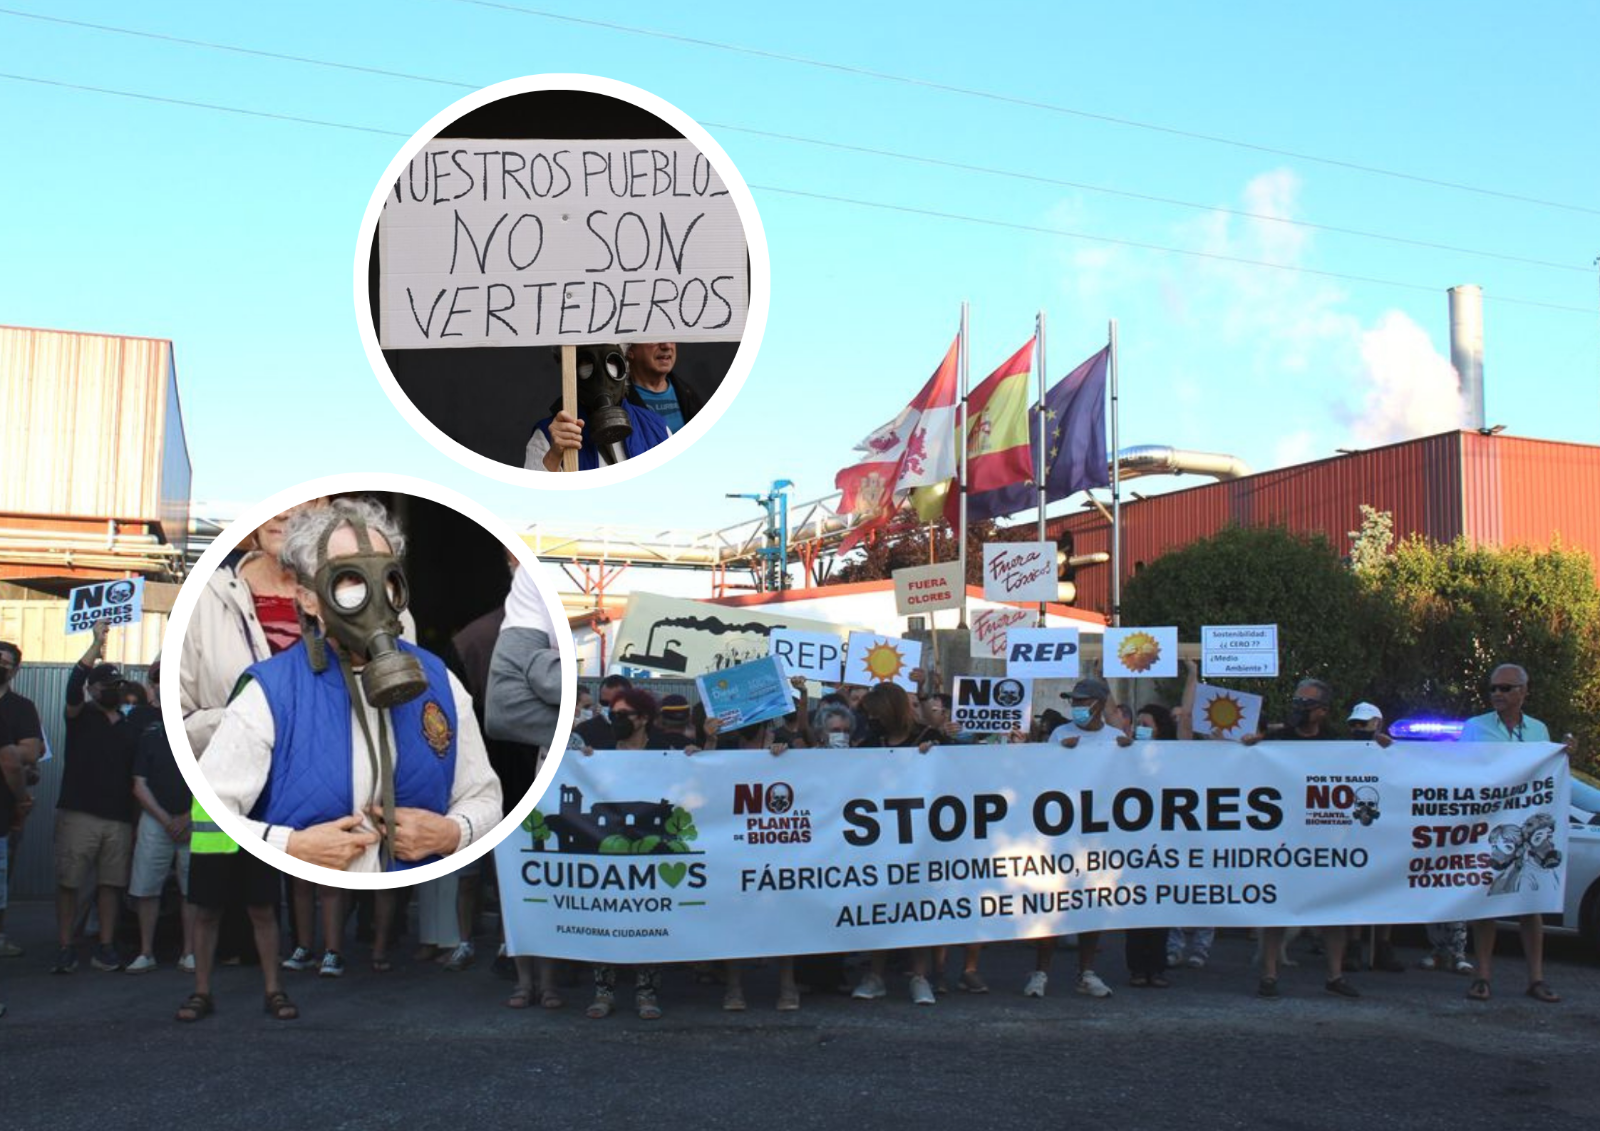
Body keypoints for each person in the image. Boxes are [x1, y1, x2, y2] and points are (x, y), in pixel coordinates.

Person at [200, 498, 502, 873]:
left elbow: (485, 797)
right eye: (349, 580)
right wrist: (290, 846)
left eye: (385, 578)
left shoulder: (440, 683)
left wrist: (452, 833)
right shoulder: (269, 694)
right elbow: (209, 817)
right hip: (299, 910)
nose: (374, 596)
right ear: (308, 599)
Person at [1241, 677, 1388, 999]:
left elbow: (1367, 767)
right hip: (1285, 840)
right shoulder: (1277, 740)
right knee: (1277, 908)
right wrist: (1251, 747)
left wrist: (1380, 750)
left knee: (1333, 911)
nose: (1298, 708)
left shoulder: (1337, 742)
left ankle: (1335, 976)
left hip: (1326, 842)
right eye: (1296, 702)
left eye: (1305, 704)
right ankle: (1269, 975)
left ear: (1322, 711)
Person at [1461, 663, 1572, 1005]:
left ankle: (1536, 979)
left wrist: (1563, 754)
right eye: (1493, 688)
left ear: (1523, 692)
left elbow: (1546, 775)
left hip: (1530, 822)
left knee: (1531, 905)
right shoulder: (1475, 728)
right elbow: (1457, 772)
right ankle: (1482, 976)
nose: (1497, 693)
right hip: (1493, 825)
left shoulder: (1538, 729)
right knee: (1487, 902)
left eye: (1506, 688)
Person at [1028, 676, 1125, 1001]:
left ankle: (1086, 972)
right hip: (1063, 832)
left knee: (1092, 904)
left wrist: (1131, 752)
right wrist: (1057, 753)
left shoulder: (1116, 738)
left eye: (1083, 702)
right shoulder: (1060, 734)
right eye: (1075, 702)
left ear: (1098, 703)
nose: (1077, 707)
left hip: (1099, 837)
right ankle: (1041, 971)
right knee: (1053, 905)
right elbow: (1042, 774)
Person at [53, 621, 139, 974]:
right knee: (69, 883)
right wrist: (96, 644)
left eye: (118, 685)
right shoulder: (80, 716)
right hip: (79, 815)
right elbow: (74, 684)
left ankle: (105, 946)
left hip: (117, 819)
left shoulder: (129, 724)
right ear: (92, 689)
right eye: (106, 685)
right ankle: (65, 946)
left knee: (110, 886)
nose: (114, 690)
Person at [851, 683, 943, 1006]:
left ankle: (920, 977)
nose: (871, 719)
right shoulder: (870, 744)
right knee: (882, 905)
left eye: (875, 713)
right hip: (881, 839)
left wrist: (935, 753)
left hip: (922, 838)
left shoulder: (929, 739)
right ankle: (875, 976)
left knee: (916, 908)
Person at [126, 660, 197, 974]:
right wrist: (167, 819)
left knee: (191, 890)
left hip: (193, 821)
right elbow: (139, 785)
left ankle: (190, 952)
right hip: (156, 821)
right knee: (146, 888)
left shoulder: (199, 727)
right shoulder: (149, 731)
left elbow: (215, 776)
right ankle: (145, 951)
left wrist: (188, 816)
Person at [0, 639, 44, 961]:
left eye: (5, 661)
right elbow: (15, 756)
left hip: (7, 808)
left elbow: (31, 751)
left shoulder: (22, 707)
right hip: (13, 800)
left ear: (16, 670)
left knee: (4, 876)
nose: (1, 665)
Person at [623, 342, 706, 433]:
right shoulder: (617, 403)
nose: (667, 346)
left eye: (671, 337)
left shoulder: (688, 394)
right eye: (655, 338)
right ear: (629, 350)